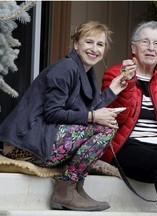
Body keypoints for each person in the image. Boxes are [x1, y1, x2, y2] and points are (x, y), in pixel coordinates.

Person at [0, 21, 129, 211]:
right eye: (89, 42)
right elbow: (53, 113)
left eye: (100, 44)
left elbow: (82, 112)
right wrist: (93, 116)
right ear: (76, 44)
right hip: (25, 143)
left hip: (44, 136)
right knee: (105, 127)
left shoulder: (86, 72)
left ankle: (75, 187)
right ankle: (64, 189)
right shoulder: (66, 68)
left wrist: (112, 91)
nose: (94, 49)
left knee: (105, 124)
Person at [101, 21, 157, 216]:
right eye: (145, 42)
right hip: (126, 147)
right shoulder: (114, 74)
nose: (151, 48)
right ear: (134, 47)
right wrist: (128, 81)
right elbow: (117, 117)